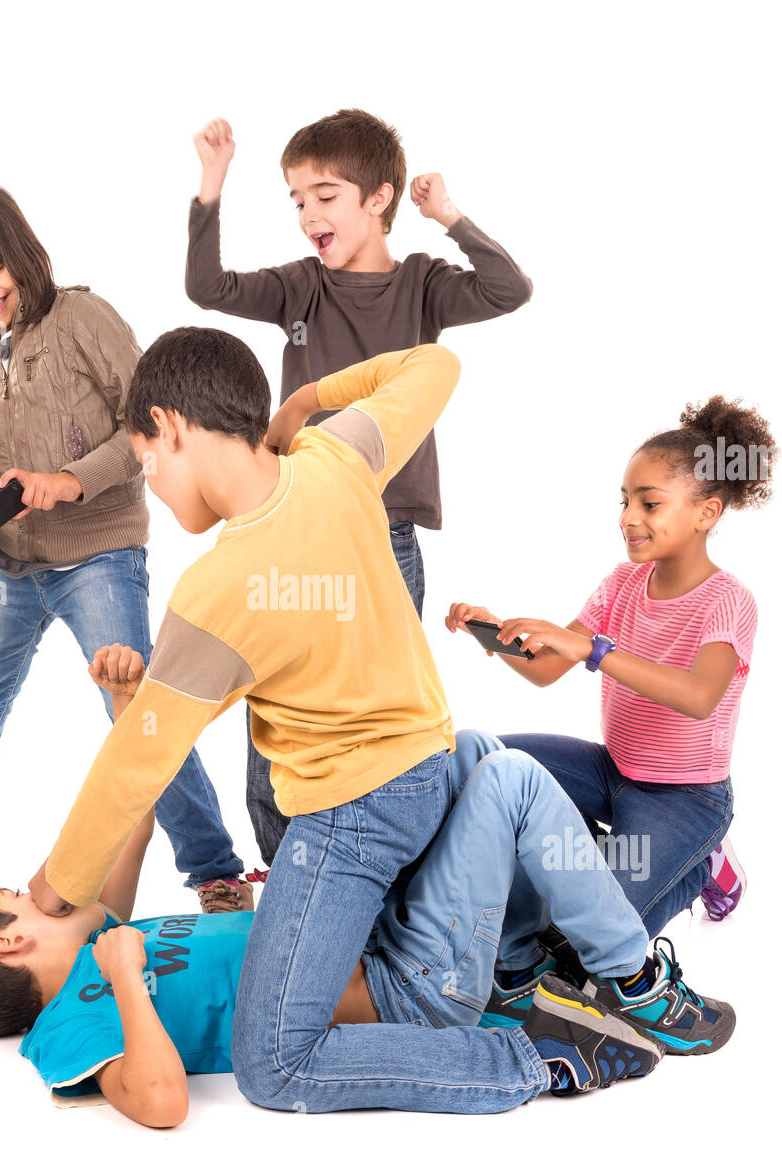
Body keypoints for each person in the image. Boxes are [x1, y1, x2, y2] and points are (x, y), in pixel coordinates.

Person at [19, 334, 729, 1113]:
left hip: (353, 819)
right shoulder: (336, 456)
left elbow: (138, 761)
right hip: (429, 769)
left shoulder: (214, 589)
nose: (151, 486)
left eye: (146, 461)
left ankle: (526, 1057)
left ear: (170, 424)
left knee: (271, 1064)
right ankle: (578, 972)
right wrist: (304, 403)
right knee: (487, 761)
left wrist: (59, 883)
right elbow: (436, 365)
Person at [0, 652, 733, 1125]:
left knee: (472, 751)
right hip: (409, 982)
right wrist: (127, 979)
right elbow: (163, 1101)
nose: (42, 891)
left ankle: (540, 950)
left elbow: (132, 817)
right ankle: (633, 980)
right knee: (511, 780)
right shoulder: (69, 1027)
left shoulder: (104, 936)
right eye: (17, 896)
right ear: (11, 939)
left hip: (382, 929)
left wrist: (126, 704)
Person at [0, 184, 246, 913]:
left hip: (99, 554)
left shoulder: (82, 318)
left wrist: (68, 482)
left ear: (19, 257)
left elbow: (149, 424)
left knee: (138, 711)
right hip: (11, 564)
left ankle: (215, 868)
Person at [186, 109, 534, 869]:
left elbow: (510, 289)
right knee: (279, 695)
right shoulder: (298, 290)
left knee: (381, 714)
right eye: (296, 199)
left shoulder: (424, 286)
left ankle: (386, 864)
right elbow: (207, 286)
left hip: (386, 535)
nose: (309, 213)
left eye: (326, 195)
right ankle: (284, 864)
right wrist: (212, 185)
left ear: (380, 199)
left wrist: (449, 217)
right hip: (297, 530)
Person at [446, 396, 777, 933]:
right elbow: (547, 667)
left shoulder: (728, 601)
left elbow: (699, 697)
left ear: (706, 512)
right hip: (612, 770)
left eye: (649, 505)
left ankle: (702, 863)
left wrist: (597, 651)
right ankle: (603, 847)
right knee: (489, 765)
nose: (628, 519)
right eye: (624, 502)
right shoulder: (620, 585)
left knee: (596, 935)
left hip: (685, 797)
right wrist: (498, 635)